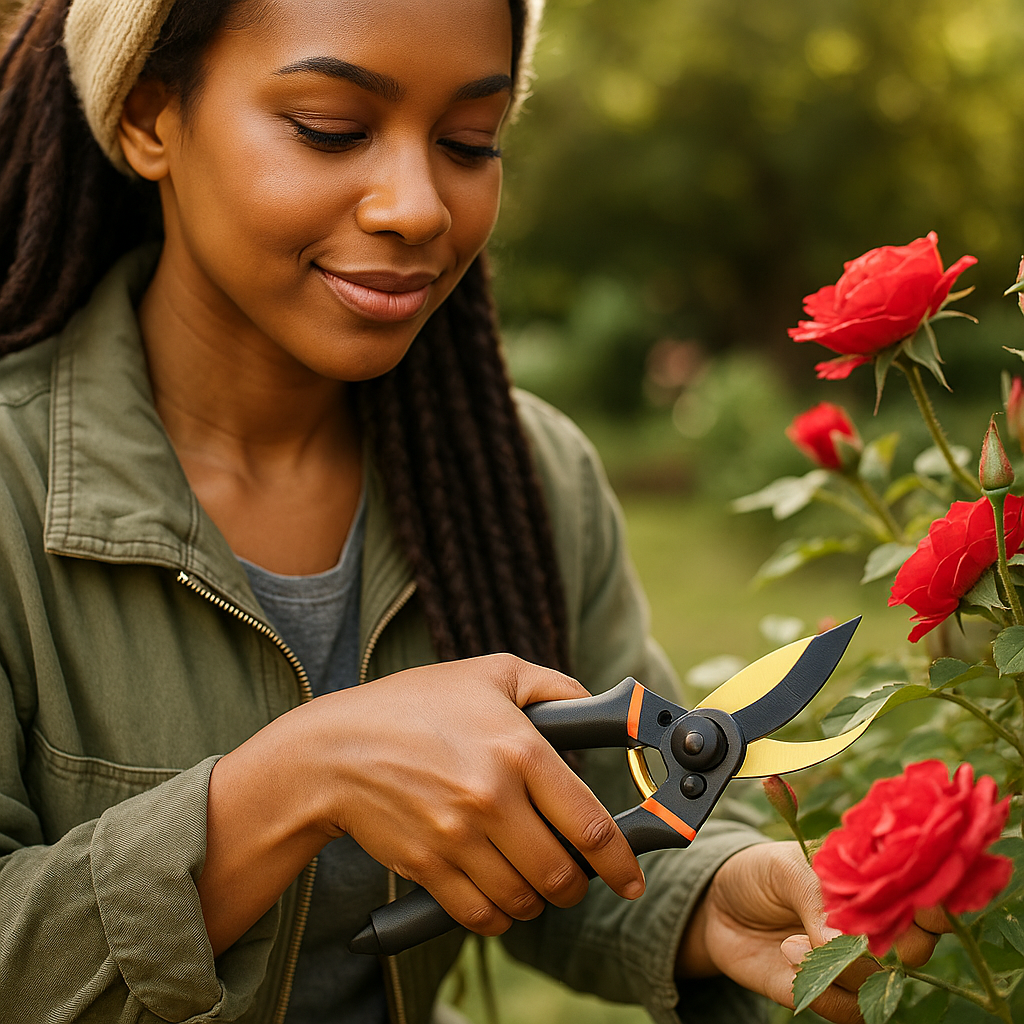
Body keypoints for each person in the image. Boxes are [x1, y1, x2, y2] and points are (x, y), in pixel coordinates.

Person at [0, 1, 948, 1022]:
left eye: (467, 142)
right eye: (331, 126)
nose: (417, 205)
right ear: (150, 121)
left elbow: (601, 817)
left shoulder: (520, 475)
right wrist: (294, 779)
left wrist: (709, 903)